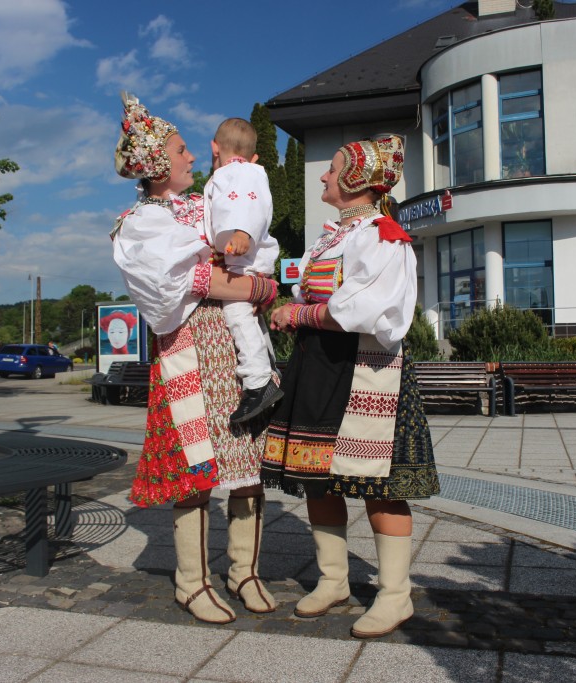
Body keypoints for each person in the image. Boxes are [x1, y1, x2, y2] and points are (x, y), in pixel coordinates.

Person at [110, 92, 280, 625]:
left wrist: (248, 280)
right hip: (189, 349)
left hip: (235, 345)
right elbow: (185, 285)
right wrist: (251, 286)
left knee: (247, 458)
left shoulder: (207, 204)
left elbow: (247, 250)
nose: (192, 157)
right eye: (181, 150)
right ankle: (192, 581)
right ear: (157, 163)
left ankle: (244, 571)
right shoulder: (140, 223)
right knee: (197, 465)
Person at [263, 134, 439, 639]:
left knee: (380, 487)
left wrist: (299, 314)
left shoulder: (383, 236)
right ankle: (334, 579)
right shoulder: (333, 236)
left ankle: (395, 594)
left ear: (357, 179)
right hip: (319, 363)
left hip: (366, 369)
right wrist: (293, 310)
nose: (323, 175)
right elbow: (318, 295)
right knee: (317, 476)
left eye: (332, 167)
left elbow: (363, 309)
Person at [202, 118, 282, 424]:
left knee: (238, 315)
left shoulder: (241, 172)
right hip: (242, 260)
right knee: (247, 318)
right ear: (254, 155)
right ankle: (265, 370)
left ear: (214, 147)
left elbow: (250, 206)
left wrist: (242, 233)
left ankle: (258, 381)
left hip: (244, 259)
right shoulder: (238, 172)